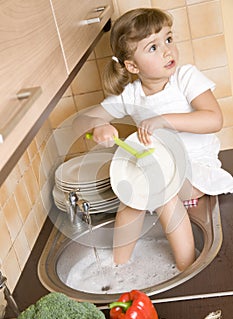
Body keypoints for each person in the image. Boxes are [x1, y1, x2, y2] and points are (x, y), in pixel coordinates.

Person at [73, 8, 233, 271]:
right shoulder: (131, 96)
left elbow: (214, 119)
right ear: (132, 66)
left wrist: (164, 120)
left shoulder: (185, 78)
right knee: (131, 197)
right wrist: (99, 126)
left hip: (196, 169)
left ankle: (187, 269)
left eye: (168, 39)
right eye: (153, 47)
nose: (167, 51)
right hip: (158, 171)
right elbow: (82, 120)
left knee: (162, 193)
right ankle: (118, 269)